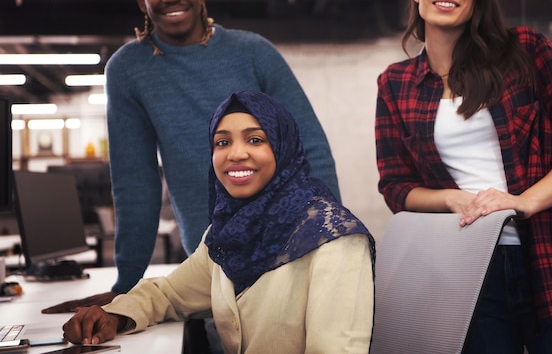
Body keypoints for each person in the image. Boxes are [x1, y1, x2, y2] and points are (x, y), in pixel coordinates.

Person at [43, 0, 340, 312]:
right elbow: (135, 181)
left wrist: (328, 241)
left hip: (285, 242)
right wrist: (128, 285)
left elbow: (311, 149)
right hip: (209, 260)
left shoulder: (253, 52)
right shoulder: (128, 71)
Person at [375, 0, 552, 353]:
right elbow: (395, 186)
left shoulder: (526, 51)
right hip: (464, 267)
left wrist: (522, 201)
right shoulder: (395, 84)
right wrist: (451, 199)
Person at [62, 90, 375, 354]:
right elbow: (168, 294)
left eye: (255, 140)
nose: (236, 154)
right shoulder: (227, 234)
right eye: (222, 143)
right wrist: (113, 315)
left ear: (283, 148)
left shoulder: (334, 239)